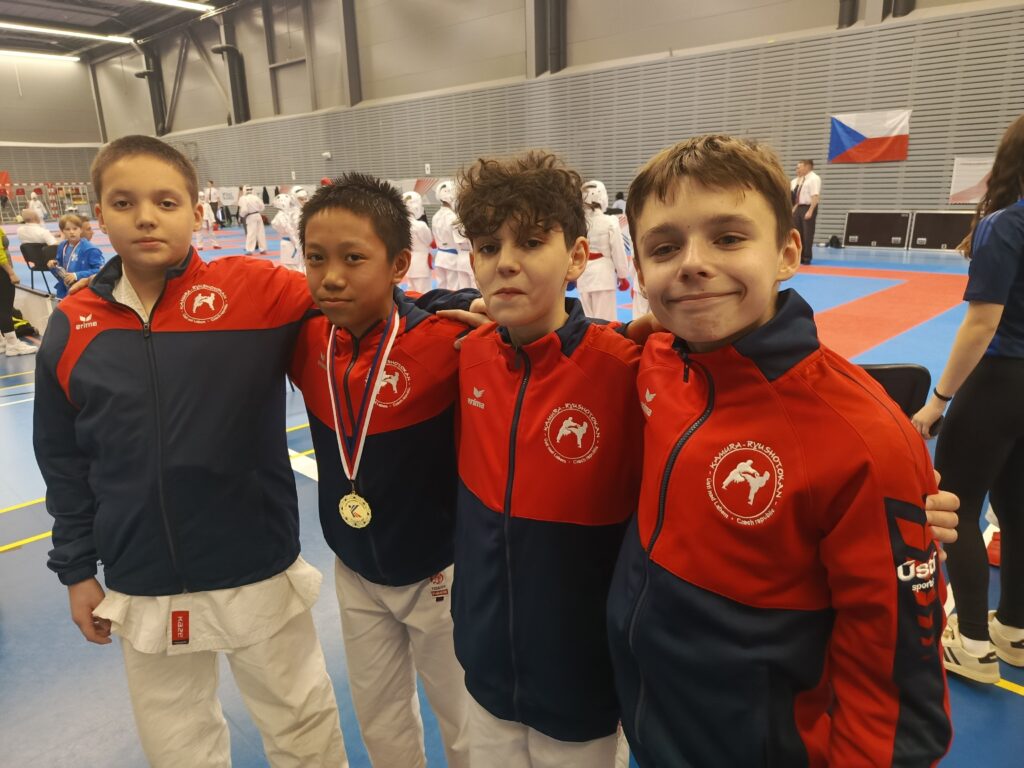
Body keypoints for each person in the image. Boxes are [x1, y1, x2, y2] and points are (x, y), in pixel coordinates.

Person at [606, 135, 951, 766]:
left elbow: (898, 703)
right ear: (641, 269)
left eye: (728, 238)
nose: (692, 264)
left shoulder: (863, 438)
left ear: (788, 252)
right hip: (654, 723)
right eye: (664, 248)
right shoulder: (657, 361)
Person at [33, 134, 347, 768]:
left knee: (303, 726)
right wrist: (77, 570)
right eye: (124, 203)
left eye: (166, 202)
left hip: (255, 561)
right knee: (177, 746)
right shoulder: (73, 323)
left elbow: (361, 301)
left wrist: (466, 307)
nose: (146, 217)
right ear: (100, 213)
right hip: (142, 574)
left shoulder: (257, 289)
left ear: (197, 213)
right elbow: (63, 461)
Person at [452, 151, 643, 767]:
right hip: (485, 667)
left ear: (577, 257)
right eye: (488, 246)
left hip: (582, 676)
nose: (505, 262)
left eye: (531, 242)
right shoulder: (469, 356)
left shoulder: (628, 370)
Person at [288, 174, 471, 768]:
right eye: (315, 258)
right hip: (355, 567)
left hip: (438, 571)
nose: (331, 276)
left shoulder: (448, 340)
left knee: (464, 718)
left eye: (353, 258)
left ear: (398, 265)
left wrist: (461, 300)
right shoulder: (304, 338)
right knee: (378, 715)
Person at [912, 114, 1024, 685]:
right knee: (1018, 507)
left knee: (955, 503)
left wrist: (939, 399)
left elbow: (982, 323)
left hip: (1000, 380)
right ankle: (1015, 630)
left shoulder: (1006, 224)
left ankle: (974, 642)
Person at [579, 179, 631, 321]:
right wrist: (622, 275)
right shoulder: (610, 221)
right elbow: (618, 250)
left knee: (586, 322)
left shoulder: (579, 223)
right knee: (605, 321)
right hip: (604, 276)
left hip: (583, 275)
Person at [48, 213, 104, 300]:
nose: (71, 232)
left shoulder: (90, 249)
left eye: (75, 228)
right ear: (62, 231)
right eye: (67, 229)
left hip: (84, 290)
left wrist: (77, 275)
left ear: (80, 230)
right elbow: (60, 265)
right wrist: (53, 265)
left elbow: (100, 271)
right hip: (65, 289)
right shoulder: (62, 246)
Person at [1, 232, 37, 356]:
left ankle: (2, 342)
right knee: (5, 309)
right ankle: (12, 345)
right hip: (2, 272)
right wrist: (11, 273)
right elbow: (0, 254)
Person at [431, 180, 472, 290]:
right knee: (454, 289)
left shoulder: (435, 216)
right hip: (453, 258)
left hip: (440, 257)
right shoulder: (453, 218)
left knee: (441, 290)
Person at [402, 190, 434, 293]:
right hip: (421, 263)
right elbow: (429, 241)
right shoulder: (420, 225)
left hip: (409, 262)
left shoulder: (401, 226)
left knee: (411, 291)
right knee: (424, 292)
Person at [790, 159, 820, 264]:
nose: (797, 169)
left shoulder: (814, 178)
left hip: (808, 207)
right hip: (799, 207)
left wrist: (810, 211)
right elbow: (796, 198)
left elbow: (815, 196)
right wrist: (793, 210)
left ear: (807, 167)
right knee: (798, 233)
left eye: (800, 167)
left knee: (807, 234)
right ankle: (799, 257)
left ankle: (807, 257)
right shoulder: (801, 179)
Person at [271, 192, 301, 269]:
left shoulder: (281, 216)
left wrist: (296, 243)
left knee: (291, 266)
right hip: (291, 241)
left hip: (289, 242)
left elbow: (289, 230)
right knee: (294, 265)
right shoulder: (285, 214)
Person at [238, 185, 268, 255]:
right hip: (258, 215)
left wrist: (241, 216)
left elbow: (244, 210)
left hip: (250, 216)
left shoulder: (243, 198)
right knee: (261, 233)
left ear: (244, 191)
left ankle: (250, 250)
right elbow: (262, 207)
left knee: (251, 233)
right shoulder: (256, 197)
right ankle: (263, 249)